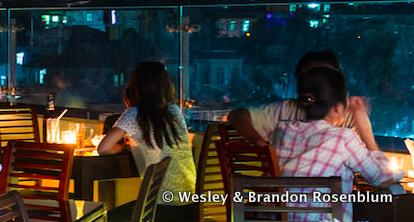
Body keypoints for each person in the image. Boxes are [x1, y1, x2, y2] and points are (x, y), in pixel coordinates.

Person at [272, 67, 398, 222]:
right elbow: (382, 178)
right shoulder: (343, 138)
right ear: (338, 108)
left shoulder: (281, 130)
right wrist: (363, 125)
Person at [97, 62, 196, 222]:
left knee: (105, 217)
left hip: (163, 209)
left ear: (135, 87)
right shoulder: (175, 111)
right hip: (190, 206)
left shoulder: (134, 114)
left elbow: (103, 148)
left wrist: (123, 149)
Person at [228, 50, 359, 145]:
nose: (315, 83)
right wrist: (258, 143)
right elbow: (238, 115)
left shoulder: (349, 115)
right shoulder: (287, 110)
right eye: (308, 78)